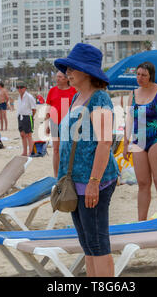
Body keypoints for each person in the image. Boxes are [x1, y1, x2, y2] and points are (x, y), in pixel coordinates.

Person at [54, 43, 119, 277]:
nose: (67, 73)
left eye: (72, 69)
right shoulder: (77, 97)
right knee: (88, 244)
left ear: (87, 72)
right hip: (75, 181)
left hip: (94, 181)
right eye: (67, 68)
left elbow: (104, 142)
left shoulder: (99, 99)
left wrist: (93, 181)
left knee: (98, 244)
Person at [123, 61, 157, 221]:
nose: (140, 78)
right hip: (139, 140)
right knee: (143, 183)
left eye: (143, 75)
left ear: (151, 75)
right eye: (138, 74)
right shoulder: (133, 93)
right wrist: (125, 144)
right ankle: (141, 221)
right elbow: (129, 120)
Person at [45, 71, 77, 177]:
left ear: (67, 79)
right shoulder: (52, 91)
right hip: (54, 123)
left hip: (69, 125)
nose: (57, 79)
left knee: (69, 150)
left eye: (60, 77)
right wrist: (46, 124)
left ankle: (68, 174)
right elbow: (48, 109)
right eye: (57, 77)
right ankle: (57, 175)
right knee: (56, 150)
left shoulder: (74, 91)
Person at [16, 83, 37, 156]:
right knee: (22, 134)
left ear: (25, 88)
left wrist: (31, 117)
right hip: (20, 116)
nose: (19, 89)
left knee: (29, 135)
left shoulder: (29, 96)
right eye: (18, 87)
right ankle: (24, 151)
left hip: (28, 116)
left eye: (21, 87)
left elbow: (34, 109)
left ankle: (31, 151)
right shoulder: (19, 96)